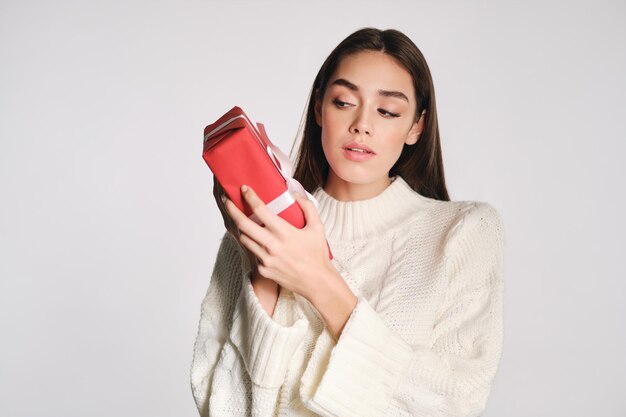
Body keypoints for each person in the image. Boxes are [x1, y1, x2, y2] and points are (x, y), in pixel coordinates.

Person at [190, 27, 506, 417]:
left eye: (388, 111)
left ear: (416, 127)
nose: (362, 124)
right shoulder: (262, 233)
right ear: (320, 107)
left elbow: (453, 404)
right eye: (343, 102)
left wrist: (319, 282)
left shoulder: (463, 233)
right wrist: (262, 271)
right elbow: (220, 407)